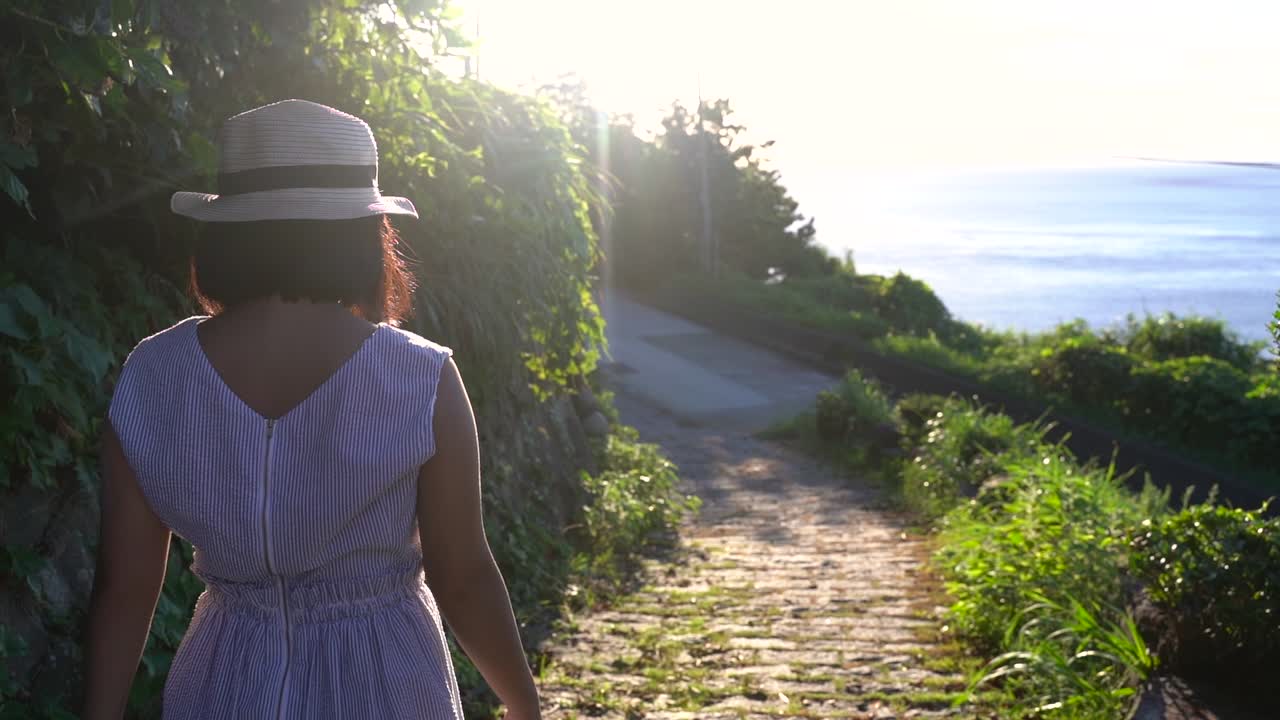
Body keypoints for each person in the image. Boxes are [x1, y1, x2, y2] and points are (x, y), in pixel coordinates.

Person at [81, 99, 541, 719]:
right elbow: (462, 578)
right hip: (387, 683)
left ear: (226, 232)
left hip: (225, 685)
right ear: (361, 235)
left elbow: (126, 589)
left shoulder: (154, 376)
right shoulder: (418, 376)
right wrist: (524, 705)